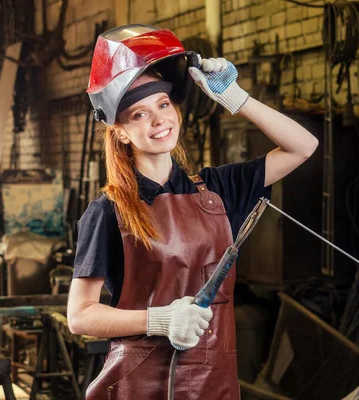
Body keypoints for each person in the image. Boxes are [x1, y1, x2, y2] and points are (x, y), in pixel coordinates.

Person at [67, 24, 319, 399]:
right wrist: (160, 319)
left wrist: (236, 98)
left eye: (163, 105)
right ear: (119, 132)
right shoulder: (109, 210)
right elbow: (80, 316)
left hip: (215, 382)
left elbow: (304, 146)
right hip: (143, 384)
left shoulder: (218, 190)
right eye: (139, 114)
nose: (158, 121)